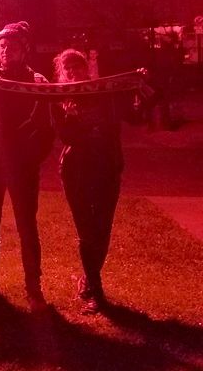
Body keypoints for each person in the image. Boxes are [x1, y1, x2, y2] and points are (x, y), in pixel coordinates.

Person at [0, 21, 54, 310]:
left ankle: (34, 288)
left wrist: (31, 157)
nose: (6, 50)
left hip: (23, 166)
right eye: (2, 46)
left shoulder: (37, 82)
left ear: (24, 50)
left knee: (26, 225)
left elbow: (46, 128)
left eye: (13, 46)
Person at [53, 49, 124, 314]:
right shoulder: (59, 98)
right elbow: (67, 136)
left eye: (77, 66)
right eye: (68, 68)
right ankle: (96, 290)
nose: (73, 72)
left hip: (106, 167)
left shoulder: (104, 93)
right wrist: (78, 122)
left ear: (86, 67)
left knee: (102, 229)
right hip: (76, 170)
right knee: (86, 231)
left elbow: (113, 128)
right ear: (62, 72)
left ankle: (88, 278)